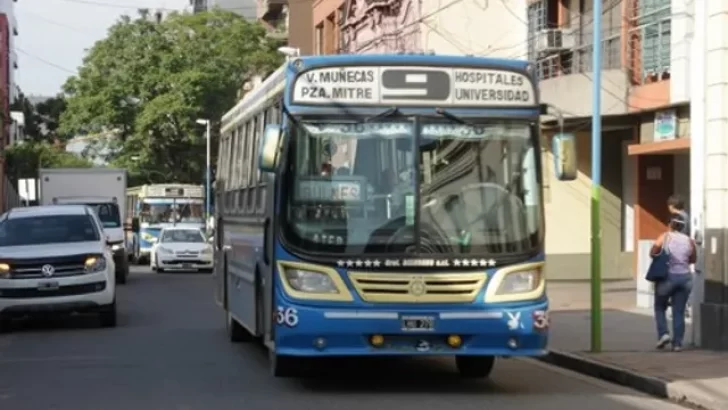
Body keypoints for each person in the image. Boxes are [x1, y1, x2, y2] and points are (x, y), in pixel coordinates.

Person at [650, 212, 696, 352]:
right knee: (679, 311)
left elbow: (653, 252)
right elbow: (693, 260)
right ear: (683, 226)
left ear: (670, 224)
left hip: (667, 278)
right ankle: (677, 344)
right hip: (685, 278)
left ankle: (663, 334)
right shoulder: (689, 241)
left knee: (659, 306)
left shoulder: (665, 237)